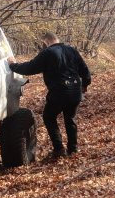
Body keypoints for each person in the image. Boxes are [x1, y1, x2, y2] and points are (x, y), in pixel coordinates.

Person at [9, 32, 91, 160]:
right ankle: (73, 149)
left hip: (59, 91)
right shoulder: (71, 50)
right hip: (75, 90)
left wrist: (12, 65)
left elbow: (30, 68)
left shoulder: (48, 53)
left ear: (46, 42)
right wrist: (85, 84)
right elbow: (84, 69)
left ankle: (59, 149)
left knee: (49, 117)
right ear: (57, 39)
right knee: (70, 119)